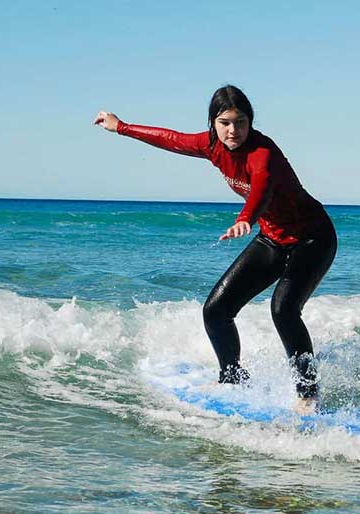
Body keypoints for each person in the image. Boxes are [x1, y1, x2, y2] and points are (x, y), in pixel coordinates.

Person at [94, 85, 336, 415]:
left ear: (251, 122)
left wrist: (245, 218)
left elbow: (261, 188)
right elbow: (171, 138)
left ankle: (308, 394)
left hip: (313, 238)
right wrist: (121, 127)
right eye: (224, 123)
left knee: (283, 309)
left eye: (240, 122)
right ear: (213, 123)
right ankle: (232, 377)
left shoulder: (263, 153)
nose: (232, 130)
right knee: (216, 311)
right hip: (273, 238)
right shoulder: (211, 145)